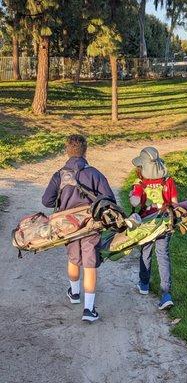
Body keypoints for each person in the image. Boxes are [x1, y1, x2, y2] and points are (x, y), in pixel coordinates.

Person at [42, 134, 115, 322]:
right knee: (89, 264)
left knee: (73, 259)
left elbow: (46, 201)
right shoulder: (95, 173)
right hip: (90, 225)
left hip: (69, 226)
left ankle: (74, 294)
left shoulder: (59, 174)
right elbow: (109, 199)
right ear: (85, 150)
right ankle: (88, 310)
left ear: (67, 150)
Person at [130, 147, 178, 310]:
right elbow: (174, 203)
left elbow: (135, 201)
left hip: (147, 225)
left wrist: (134, 198)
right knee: (163, 255)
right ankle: (165, 293)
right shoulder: (168, 181)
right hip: (164, 223)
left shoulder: (140, 183)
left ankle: (144, 284)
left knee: (145, 252)